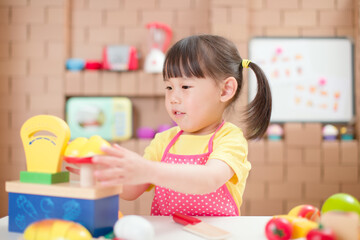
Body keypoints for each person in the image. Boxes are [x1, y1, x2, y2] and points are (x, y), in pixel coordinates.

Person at [69, 34, 272, 216]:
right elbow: (132, 191)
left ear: (225, 90)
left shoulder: (229, 138)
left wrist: (149, 169)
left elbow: (208, 179)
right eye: (168, 87)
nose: (173, 98)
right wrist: (105, 176)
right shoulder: (164, 140)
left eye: (185, 86)